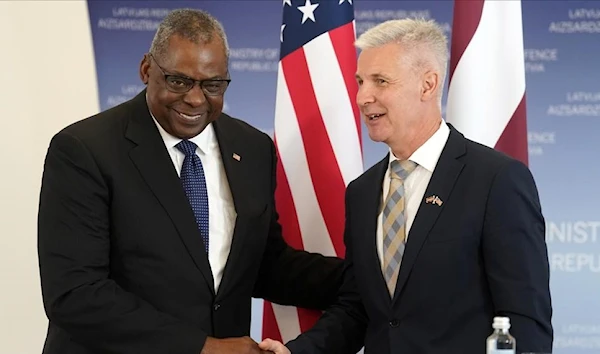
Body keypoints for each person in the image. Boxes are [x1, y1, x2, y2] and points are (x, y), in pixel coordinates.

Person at [37, 8, 344, 354]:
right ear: (146, 69)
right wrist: (203, 348)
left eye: (212, 85)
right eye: (179, 81)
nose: (196, 99)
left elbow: (261, 264)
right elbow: (76, 293)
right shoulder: (85, 150)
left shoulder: (253, 148)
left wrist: (368, 279)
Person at [260, 18, 553, 354]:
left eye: (380, 81)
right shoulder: (362, 192)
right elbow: (358, 309)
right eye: (360, 82)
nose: (362, 97)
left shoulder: (496, 180)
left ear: (428, 85)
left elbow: (524, 321)